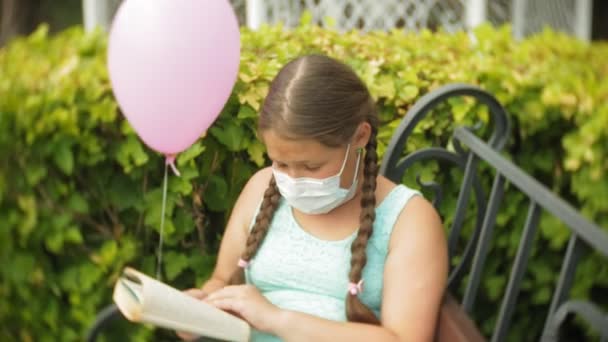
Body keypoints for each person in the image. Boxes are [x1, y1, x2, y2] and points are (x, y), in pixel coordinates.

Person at [179, 54, 447, 341]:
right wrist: (199, 308)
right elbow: (221, 280)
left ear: (360, 137)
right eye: (280, 164)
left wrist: (277, 319)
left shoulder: (408, 221)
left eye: (311, 167)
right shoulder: (261, 189)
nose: (293, 181)